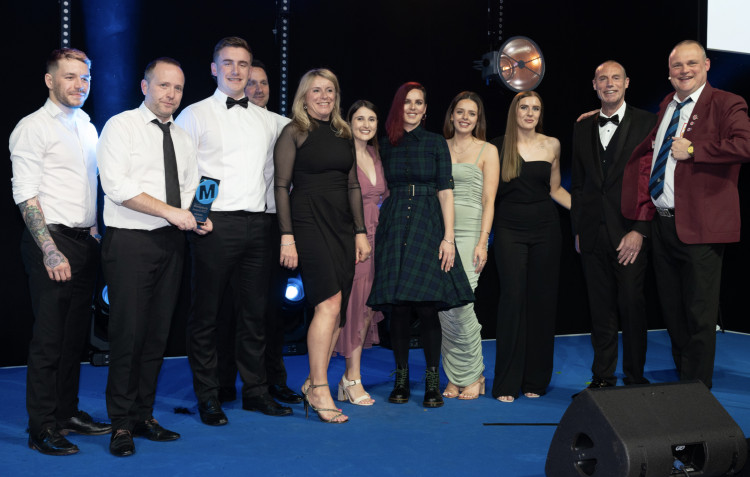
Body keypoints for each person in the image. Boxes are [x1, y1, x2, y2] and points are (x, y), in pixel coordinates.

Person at [98, 57, 211, 456]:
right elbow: (116, 186)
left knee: (157, 335)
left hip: (172, 243)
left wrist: (199, 218)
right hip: (130, 242)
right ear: (145, 87)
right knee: (127, 335)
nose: (171, 94)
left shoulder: (183, 137)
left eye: (178, 88)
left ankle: (144, 415)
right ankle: (120, 424)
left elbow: (192, 187)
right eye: (163, 86)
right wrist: (173, 213)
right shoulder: (120, 126)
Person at [176, 37, 291, 425]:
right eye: (228, 63)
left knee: (255, 314)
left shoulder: (268, 120)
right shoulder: (194, 114)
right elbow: (188, 172)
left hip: (259, 224)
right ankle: (208, 395)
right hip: (215, 224)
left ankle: (256, 392)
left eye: (243, 64)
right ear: (213, 68)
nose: (237, 71)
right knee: (207, 315)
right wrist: (199, 213)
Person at [622, 40, 750, 389]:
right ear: (669, 72)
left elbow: (744, 145)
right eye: (678, 66)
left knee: (699, 314)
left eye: (692, 63)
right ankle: (684, 386)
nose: (685, 71)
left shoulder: (727, 102)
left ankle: (697, 392)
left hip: (702, 228)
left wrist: (695, 149)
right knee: (674, 312)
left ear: (707, 65)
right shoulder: (667, 105)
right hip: (664, 227)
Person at [10, 47, 110, 456]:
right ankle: (42, 426)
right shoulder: (32, 127)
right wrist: (50, 251)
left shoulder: (86, 125)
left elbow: (86, 188)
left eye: (84, 78)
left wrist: (95, 232)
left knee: (73, 340)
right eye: (69, 77)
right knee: (49, 340)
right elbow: (25, 194)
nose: (78, 85)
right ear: (50, 80)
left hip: (83, 241)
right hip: (50, 242)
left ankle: (67, 412)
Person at [367, 82, 474, 408]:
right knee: (397, 309)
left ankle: (431, 381)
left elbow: (445, 191)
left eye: (419, 103)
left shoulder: (436, 143)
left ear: (426, 110)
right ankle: (400, 377)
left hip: (429, 225)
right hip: (395, 224)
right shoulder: (384, 145)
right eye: (407, 102)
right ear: (398, 107)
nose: (412, 107)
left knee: (428, 308)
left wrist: (448, 238)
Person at [274, 68, 371, 423]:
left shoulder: (343, 133)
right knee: (328, 302)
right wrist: (287, 236)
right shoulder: (293, 132)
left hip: (342, 227)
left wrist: (360, 230)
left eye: (330, 90)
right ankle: (319, 387)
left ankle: (313, 384)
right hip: (308, 222)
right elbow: (281, 187)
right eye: (316, 90)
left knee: (340, 310)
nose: (324, 96)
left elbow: (353, 186)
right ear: (304, 95)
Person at [215, 59, 301, 405]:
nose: (258, 89)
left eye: (264, 83)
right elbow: (203, 172)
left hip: (273, 227)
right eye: (251, 83)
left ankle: (270, 382)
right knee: (225, 310)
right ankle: (221, 384)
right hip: (226, 225)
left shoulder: (286, 126)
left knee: (269, 312)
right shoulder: (219, 122)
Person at [571, 61, 657, 392]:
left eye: (616, 78)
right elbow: (578, 184)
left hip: (630, 234)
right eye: (602, 78)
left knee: (632, 307)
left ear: (627, 83)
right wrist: (578, 228)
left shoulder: (649, 122)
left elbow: (654, 179)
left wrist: (640, 229)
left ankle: (635, 378)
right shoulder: (582, 126)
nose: (609, 83)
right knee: (600, 309)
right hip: (592, 234)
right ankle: (603, 377)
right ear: (594, 85)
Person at [490, 91, 571, 403]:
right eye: (524, 107)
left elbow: (555, 190)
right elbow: (487, 195)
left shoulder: (552, 144)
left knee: (542, 301)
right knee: (512, 300)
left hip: (547, 230)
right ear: (514, 111)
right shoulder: (497, 146)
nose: (530, 112)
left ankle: (535, 379)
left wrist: (587, 213)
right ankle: (507, 383)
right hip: (509, 229)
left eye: (536, 107)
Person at [438, 92, 499, 400]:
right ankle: (454, 375)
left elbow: (490, 200)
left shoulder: (487, 150)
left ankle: (474, 374)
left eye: (471, 114)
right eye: (459, 111)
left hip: (471, 233)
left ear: (478, 119)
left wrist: (483, 241)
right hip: (441, 233)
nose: (464, 117)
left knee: (462, 305)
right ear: (451, 115)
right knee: (444, 308)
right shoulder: (438, 147)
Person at [332, 100, 388, 406]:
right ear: (348, 121)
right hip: (354, 240)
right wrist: (355, 235)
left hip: (378, 240)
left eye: (372, 119)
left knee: (366, 309)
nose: (366, 124)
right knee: (353, 309)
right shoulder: (342, 155)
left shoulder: (374, 154)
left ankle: (336, 380)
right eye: (360, 119)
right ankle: (351, 379)